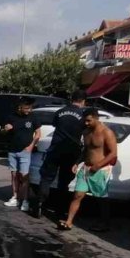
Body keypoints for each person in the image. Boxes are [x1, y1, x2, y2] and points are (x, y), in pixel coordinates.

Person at [59, 107, 117, 231]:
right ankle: (69, 221)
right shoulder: (86, 132)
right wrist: (77, 162)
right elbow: (86, 150)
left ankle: (104, 223)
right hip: (86, 168)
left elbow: (113, 153)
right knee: (77, 195)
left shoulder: (107, 132)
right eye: (85, 121)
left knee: (101, 199)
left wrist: (98, 165)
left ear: (96, 118)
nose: (86, 123)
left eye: (89, 121)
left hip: (101, 170)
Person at [31, 90, 87, 218]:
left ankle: (39, 204)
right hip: (71, 152)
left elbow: (55, 125)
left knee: (46, 178)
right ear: (83, 101)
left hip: (55, 149)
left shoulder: (60, 112)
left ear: (71, 99)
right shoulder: (82, 115)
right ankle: (60, 210)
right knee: (64, 183)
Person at [2, 98, 41, 212]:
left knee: (24, 176)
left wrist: (31, 146)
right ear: (20, 107)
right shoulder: (11, 117)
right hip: (12, 150)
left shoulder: (33, 117)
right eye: (26, 108)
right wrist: (5, 129)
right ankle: (15, 197)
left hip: (25, 151)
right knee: (14, 175)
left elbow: (38, 133)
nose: (28, 110)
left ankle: (25, 200)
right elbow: (3, 131)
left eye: (30, 108)